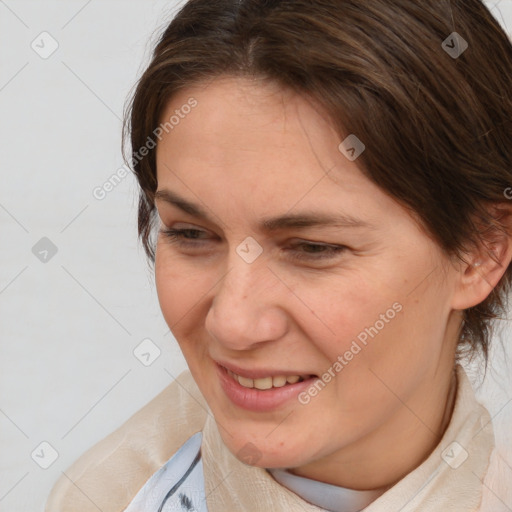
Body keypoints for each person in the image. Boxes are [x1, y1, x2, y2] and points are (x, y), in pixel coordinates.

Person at [45, 0, 512, 510]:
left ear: (480, 250)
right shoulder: (103, 495)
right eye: (192, 234)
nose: (232, 324)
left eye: (314, 248)